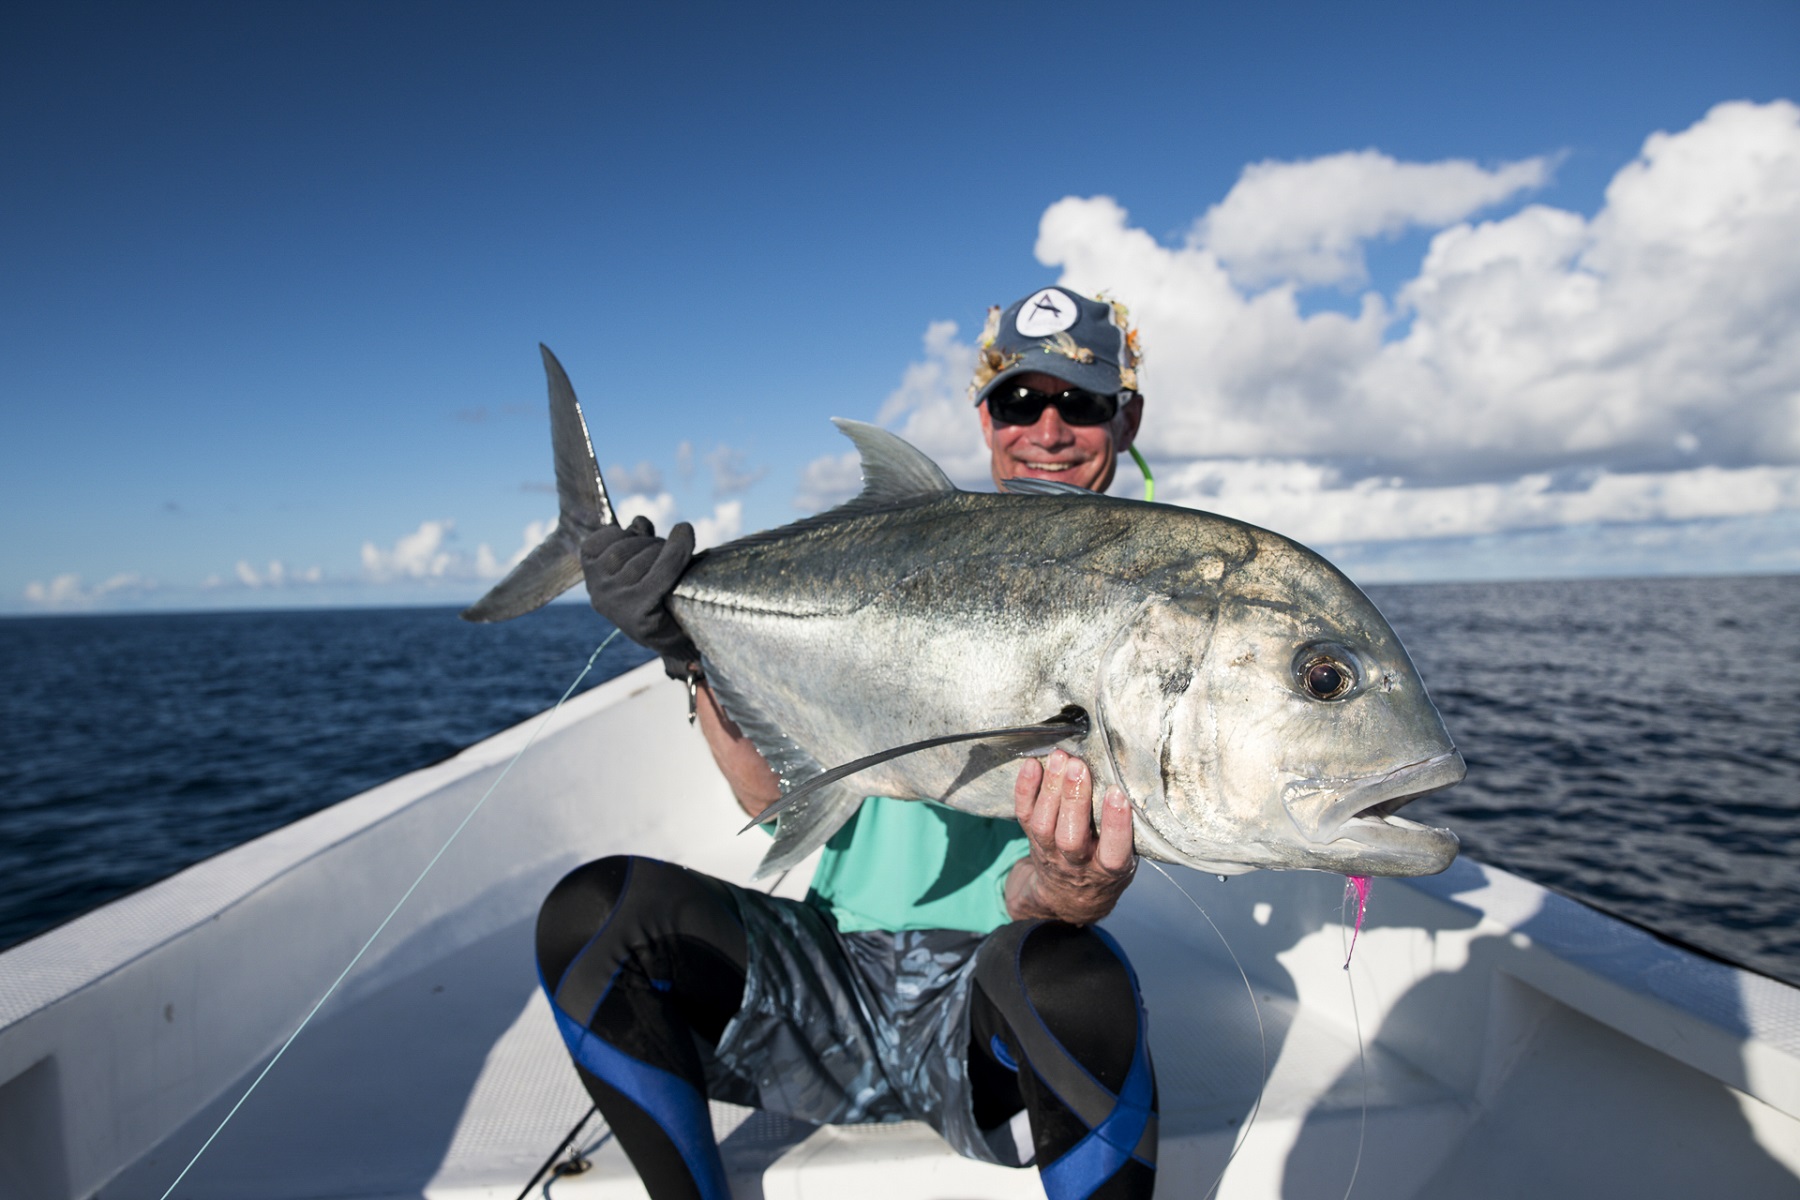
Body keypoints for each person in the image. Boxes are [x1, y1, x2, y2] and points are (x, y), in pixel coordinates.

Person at [536, 286, 1156, 1200]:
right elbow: (763, 796)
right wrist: (688, 652)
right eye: (1022, 400)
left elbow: (1036, 893)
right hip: (827, 980)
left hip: (987, 1014)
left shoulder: (1157, 612)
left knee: (1080, 981)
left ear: (1126, 416)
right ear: (987, 417)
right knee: (593, 913)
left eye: (1083, 401)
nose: (1050, 429)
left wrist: (1072, 885)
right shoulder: (899, 556)